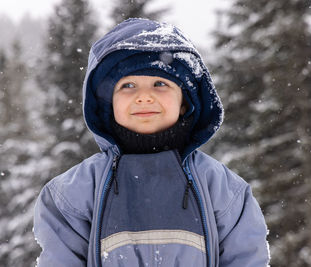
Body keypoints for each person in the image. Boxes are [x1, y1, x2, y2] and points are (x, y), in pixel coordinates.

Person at [33, 18, 270, 267]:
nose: (144, 96)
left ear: (185, 101)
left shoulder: (226, 192)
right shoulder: (71, 195)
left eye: (160, 83)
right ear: (107, 104)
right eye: (128, 85)